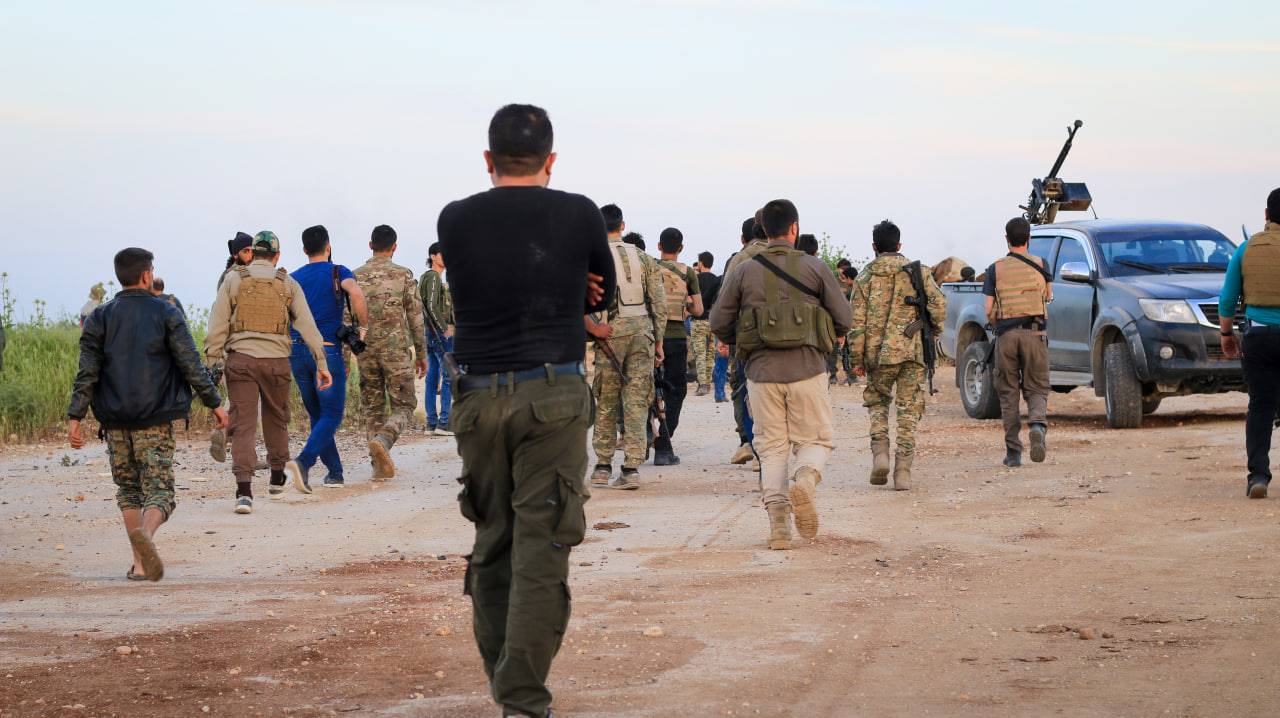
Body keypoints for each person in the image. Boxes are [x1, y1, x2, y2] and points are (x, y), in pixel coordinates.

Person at [438, 102, 615, 718]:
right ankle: (520, 698)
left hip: (478, 399)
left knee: (493, 542)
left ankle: (508, 686)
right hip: (553, 395)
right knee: (542, 547)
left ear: (488, 159)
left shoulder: (455, 219)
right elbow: (603, 293)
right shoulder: (580, 212)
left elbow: (486, 279)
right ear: (551, 160)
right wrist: (574, 285)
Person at [68, 248, 228, 581]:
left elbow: (87, 372)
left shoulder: (99, 317)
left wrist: (75, 417)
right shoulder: (167, 312)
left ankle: (139, 564)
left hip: (114, 421)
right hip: (155, 418)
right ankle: (146, 536)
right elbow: (191, 365)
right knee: (160, 492)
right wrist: (215, 404)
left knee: (128, 491)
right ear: (146, 275)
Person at [712, 199, 851, 550]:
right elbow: (845, 318)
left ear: (763, 229)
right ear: (794, 228)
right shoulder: (815, 267)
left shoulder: (744, 270)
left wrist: (740, 339)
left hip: (761, 373)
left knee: (772, 448)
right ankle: (804, 479)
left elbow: (718, 321)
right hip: (808, 369)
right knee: (816, 440)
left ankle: (778, 528)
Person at [205, 231, 332, 514]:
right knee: (277, 418)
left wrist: (212, 361)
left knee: (243, 424)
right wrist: (322, 364)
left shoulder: (233, 279)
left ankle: (244, 492)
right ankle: (276, 479)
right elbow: (308, 326)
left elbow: (217, 325)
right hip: (276, 362)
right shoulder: (288, 283)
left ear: (253, 253)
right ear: (276, 256)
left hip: (241, 360)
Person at [849, 221, 947, 490]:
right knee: (908, 410)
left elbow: (856, 323)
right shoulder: (918, 272)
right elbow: (939, 306)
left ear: (874, 246)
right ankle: (903, 470)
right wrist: (933, 330)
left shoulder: (864, 277)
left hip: (878, 355)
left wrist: (856, 359)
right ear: (899, 245)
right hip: (912, 352)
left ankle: (880, 454)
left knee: (877, 403)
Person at [587, 204, 665, 491]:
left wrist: (593, 329)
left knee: (607, 400)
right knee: (637, 401)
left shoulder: (592, 257)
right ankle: (631, 468)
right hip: (642, 333)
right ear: (623, 225)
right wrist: (658, 341)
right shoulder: (643, 258)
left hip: (609, 334)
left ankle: (602, 466)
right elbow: (658, 303)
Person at [286, 225, 369, 488]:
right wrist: (363, 328)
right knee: (332, 413)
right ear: (328, 246)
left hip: (296, 350)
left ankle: (335, 473)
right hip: (325, 348)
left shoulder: (293, 278)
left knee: (317, 414)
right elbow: (355, 292)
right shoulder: (338, 271)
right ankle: (304, 462)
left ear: (304, 250)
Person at [354, 224, 428, 480]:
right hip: (395, 351)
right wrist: (422, 354)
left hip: (365, 352)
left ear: (370, 245)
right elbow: (416, 318)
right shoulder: (404, 275)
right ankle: (384, 440)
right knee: (405, 404)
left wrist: (346, 354)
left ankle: (378, 466)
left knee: (373, 408)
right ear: (394, 247)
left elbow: (347, 318)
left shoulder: (355, 276)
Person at [1220, 188, 1280, 499]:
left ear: (1267, 215)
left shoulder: (1247, 248)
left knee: (1260, 406)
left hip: (1259, 338)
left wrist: (1226, 335)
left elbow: (1228, 298)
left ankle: (1258, 476)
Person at [983, 217, 1053, 468]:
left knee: (1008, 393)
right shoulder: (1042, 264)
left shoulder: (995, 269)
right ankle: (1037, 425)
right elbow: (1048, 295)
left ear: (1006, 239)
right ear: (1029, 238)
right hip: (1035, 334)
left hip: (1006, 337)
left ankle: (1013, 453)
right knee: (1037, 387)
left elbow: (988, 308)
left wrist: (1000, 321)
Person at [209, 231, 259, 465]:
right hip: (239, 346)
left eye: (253, 250)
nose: (250, 255)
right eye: (246, 251)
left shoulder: (229, 275)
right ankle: (227, 434)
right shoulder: (236, 277)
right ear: (236, 254)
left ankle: (235, 443)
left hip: (235, 346)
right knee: (248, 403)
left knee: (242, 400)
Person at [653, 228, 702, 465]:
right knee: (676, 391)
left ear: (659, 246)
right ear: (681, 248)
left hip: (651, 336)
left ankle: (646, 434)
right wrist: (686, 306)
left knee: (645, 390)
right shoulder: (687, 272)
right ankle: (664, 443)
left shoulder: (649, 267)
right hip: (675, 338)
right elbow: (699, 310)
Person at [722, 217, 768, 466]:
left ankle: (749, 441)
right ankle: (771, 449)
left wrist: (724, 338)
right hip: (785, 340)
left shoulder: (740, 259)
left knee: (743, 389)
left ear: (743, 238)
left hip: (745, 339)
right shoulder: (793, 258)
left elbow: (725, 304)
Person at [419, 242, 455, 436]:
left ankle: (431, 424)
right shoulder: (433, 277)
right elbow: (431, 306)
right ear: (433, 256)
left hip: (429, 334)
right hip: (439, 334)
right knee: (448, 376)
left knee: (432, 377)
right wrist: (444, 328)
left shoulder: (427, 277)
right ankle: (444, 424)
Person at [690, 251, 720, 397]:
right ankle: (707, 383)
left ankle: (702, 384)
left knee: (700, 353)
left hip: (698, 321)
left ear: (700, 263)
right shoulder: (717, 280)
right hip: (713, 321)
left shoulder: (695, 280)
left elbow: (689, 299)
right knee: (710, 353)